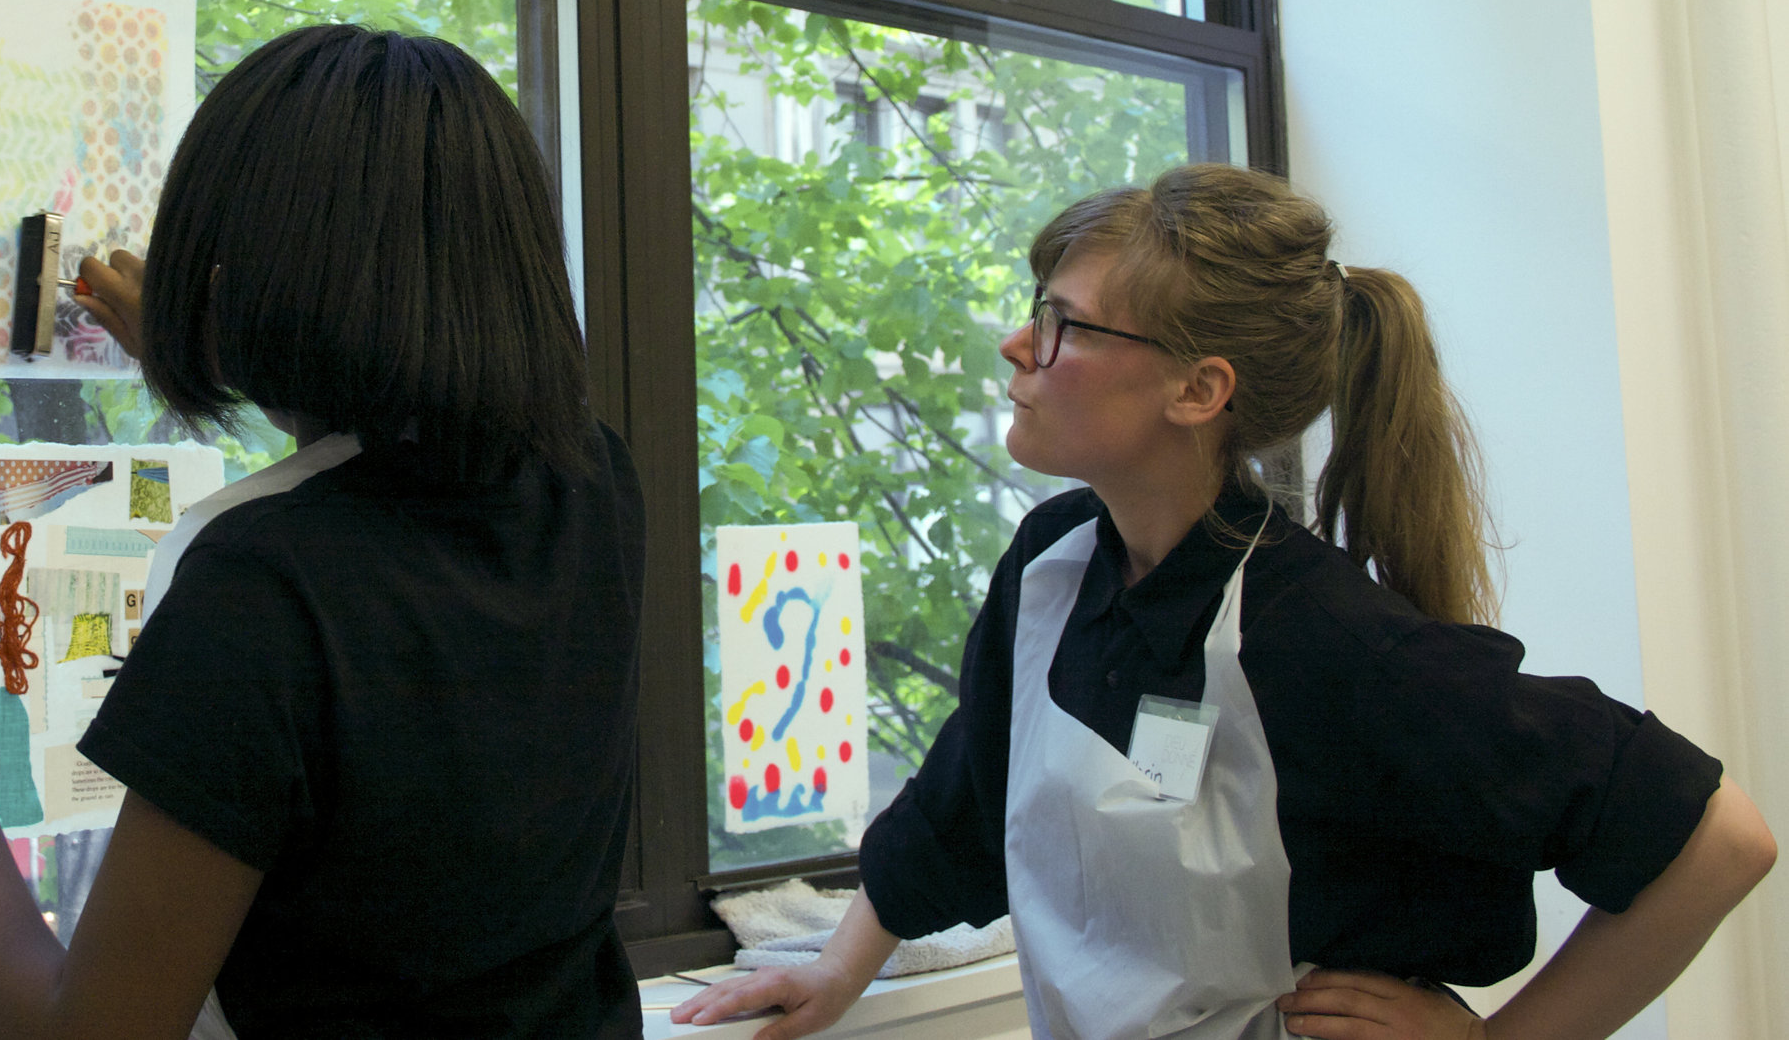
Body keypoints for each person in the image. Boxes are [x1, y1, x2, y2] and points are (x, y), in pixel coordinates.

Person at [674, 164, 1774, 1040]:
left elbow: (1717, 840)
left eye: (1061, 323)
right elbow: (967, 791)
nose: (1017, 345)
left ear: (1197, 389)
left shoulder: (1327, 639)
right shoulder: (1053, 563)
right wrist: (833, 966)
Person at [0, 24, 645, 1040]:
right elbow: (383, 498)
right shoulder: (593, 473)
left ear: (234, 278)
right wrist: (232, 353)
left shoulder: (257, 583)